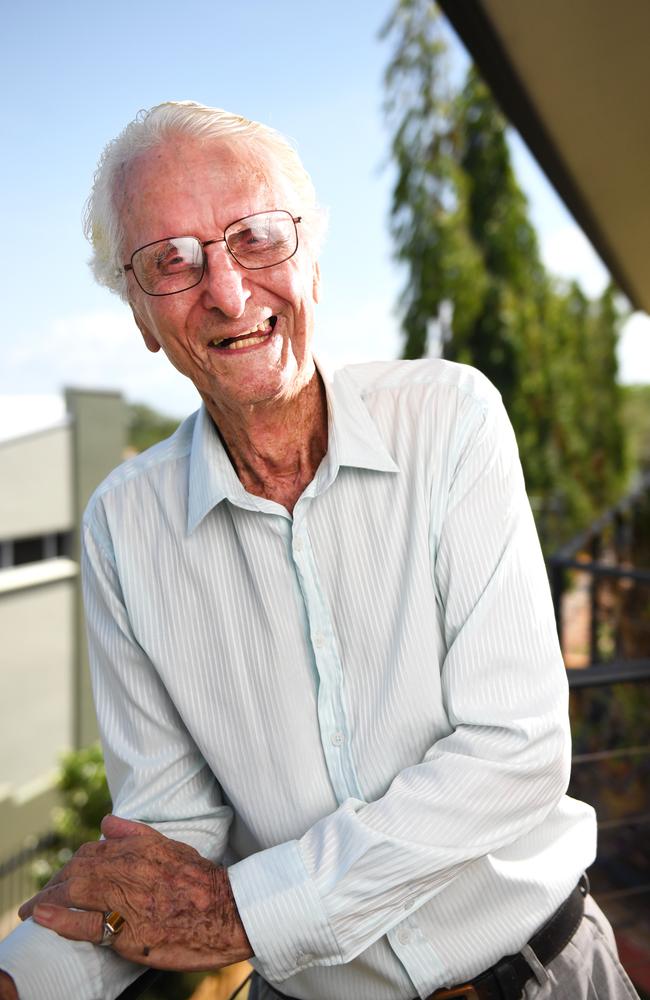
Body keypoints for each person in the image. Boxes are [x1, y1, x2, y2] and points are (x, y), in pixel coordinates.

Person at [0, 102, 639, 1000]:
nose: (225, 291)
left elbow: (515, 754)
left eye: (255, 237)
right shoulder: (121, 527)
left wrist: (241, 915)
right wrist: (27, 974)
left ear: (310, 257)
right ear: (143, 316)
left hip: (547, 974)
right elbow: (167, 838)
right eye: (170, 262)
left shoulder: (451, 418)